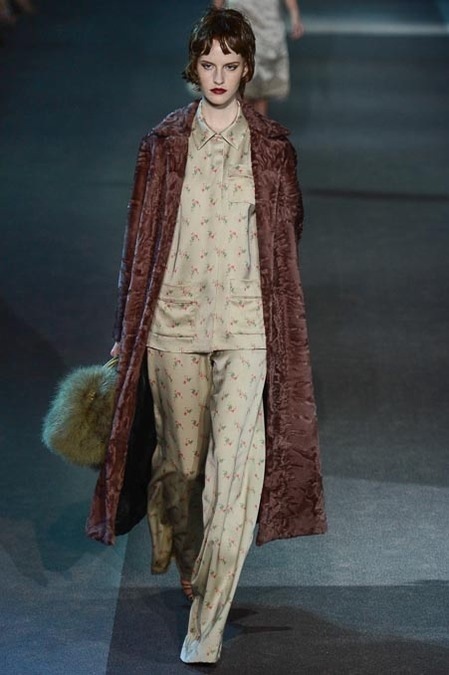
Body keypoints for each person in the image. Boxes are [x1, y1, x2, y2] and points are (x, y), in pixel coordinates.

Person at [87, 7, 326, 664]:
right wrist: (124, 327)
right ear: (193, 67)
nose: (219, 75)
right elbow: (138, 240)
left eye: (230, 64)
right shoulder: (162, 143)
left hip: (247, 325)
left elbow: (287, 231)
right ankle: (189, 551)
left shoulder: (272, 148)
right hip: (174, 324)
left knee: (234, 475)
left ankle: (207, 624)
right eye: (208, 63)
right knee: (181, 467)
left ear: (246, 70)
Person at [214, 0, 304, 116]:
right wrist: (215, 16)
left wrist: (295, 15)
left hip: (267, 21)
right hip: (242, 16)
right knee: (241, 74)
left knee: (262, 82)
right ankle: (247, 121)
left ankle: (257, 123)